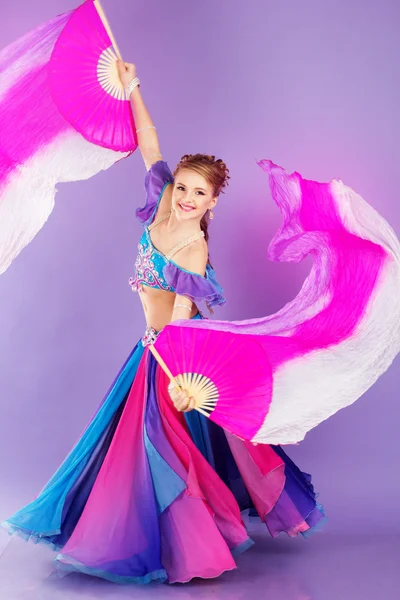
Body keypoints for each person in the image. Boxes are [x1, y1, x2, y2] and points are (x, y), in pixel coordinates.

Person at [0, 60, 326, 585]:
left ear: (213, 202)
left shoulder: (193, 248)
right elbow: (150, 140)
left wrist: (175, 377)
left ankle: (182, 538)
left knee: (163, 442)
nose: (188, 198)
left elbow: (179, 318)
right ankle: (170, 524)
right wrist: (133, 90)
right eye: (183, 188)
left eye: (200, 194)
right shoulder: (157, 209)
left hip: (176, 349)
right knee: (163, 444)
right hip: (152, 343)